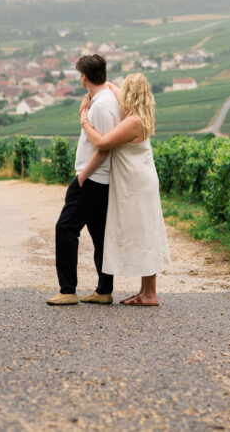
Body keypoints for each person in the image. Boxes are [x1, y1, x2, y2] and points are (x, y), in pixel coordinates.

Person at [79, 73, 170, 306]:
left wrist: (84, 120)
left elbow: (101, 143)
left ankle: (150, 294)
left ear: (131, 94)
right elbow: (110, 86)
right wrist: (97, 90)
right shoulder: (140, 116)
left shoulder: (132, 122)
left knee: (144, 234)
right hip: (141, 181)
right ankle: (144, 291)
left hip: (137, 184)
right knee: (144, 231)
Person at [46, 54, 121, 306]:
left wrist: (81, 178)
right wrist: (87, 98)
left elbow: (103, 148)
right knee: (100, 236)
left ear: (84, 77)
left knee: (65, 229)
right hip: (103, 181)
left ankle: (67, 291)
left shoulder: (100, 106)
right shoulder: (107, 96)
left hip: (91, 180)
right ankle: (103, 290)